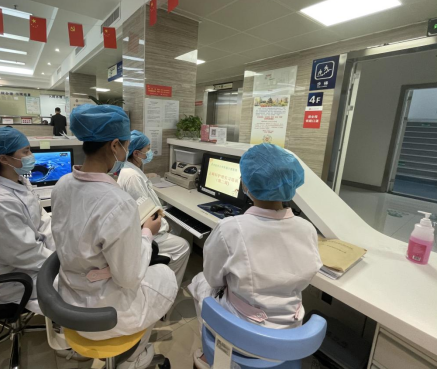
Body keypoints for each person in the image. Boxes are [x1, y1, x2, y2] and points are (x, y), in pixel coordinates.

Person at [52, 105, 178, 369]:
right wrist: (147, 232)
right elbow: (128, 277)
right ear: (114, 145)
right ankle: (133, 358)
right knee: (165, 275)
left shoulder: (62, 184)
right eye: (127, 144)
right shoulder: (117, 202)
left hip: (69, 297)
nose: (127, 151)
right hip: (103, 311)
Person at [189, 144, 323, 369]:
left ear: (246, 183)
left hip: (243, 333)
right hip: (290, 337)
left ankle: (212, 351)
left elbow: (213, 279)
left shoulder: (230, 228)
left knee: (199, 283)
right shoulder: (307, 229)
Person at [0, 127, 55, 315]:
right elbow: (24, 254)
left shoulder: (20, 183)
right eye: (26, 151)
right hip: (13, 281)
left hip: (30, 263)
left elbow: (42, 221)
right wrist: (61, 262)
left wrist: (60, 248)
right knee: (81, 284)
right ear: (4, 159)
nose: (31, 156)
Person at [118, 130, 191, 287]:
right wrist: (165, 226)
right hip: (142, 233)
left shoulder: (131, 170)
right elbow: (145, 213)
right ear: (136, 153)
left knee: (176, 224)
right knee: (183, 245)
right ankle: (167, 287)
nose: (150, 153)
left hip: (139, 226)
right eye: (148, 149)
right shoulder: (132, 176)